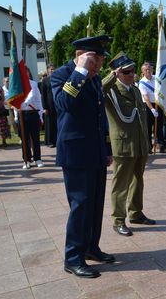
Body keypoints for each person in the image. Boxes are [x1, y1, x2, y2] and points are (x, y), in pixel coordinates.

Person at [50, 35, 115, 278]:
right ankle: (73, 257)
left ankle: (90, 248)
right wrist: (79, 72)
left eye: (100, 59)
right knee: (80, 205)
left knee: (96, 203)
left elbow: (101, 117)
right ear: (81, 56)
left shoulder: (96, 79)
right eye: (95, 59)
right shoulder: (62, 75)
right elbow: (64, 103)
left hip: (95, 150)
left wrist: (106, 149)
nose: (99, 64)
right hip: (75, 153)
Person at [102, 52, 155, 237]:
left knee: (137, 180)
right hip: (123, 144)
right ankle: (118, 220)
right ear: (118, 73)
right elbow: (97, 89)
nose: (132, 74)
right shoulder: (111, 90)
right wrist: (112, 76)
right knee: (121, 184)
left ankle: (135, 213)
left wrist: (147, 142)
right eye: (127, 72)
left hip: (139, 143)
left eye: (133, 71)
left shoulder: (134, 90)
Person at [139, 62, 166, 154]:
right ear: (143, 72)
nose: (148, 71)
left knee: (159, 126)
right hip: (148, 106)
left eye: (150, 69)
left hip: (158, 104)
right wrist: (152, 109)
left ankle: (161, 146)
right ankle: (149, 147)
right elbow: (145, 97)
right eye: (146, 70)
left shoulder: (156, 79)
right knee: (148, 127)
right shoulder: (142, 82)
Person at [17, 69, 44, 169]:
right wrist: (16, 115)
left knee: (35, 138)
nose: (25, 74)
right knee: (24, 138)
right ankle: (27, 159)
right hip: (21, 114)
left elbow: (34, 97)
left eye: (26, 72)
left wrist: (40, 114)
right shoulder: (16, 86)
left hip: (32, 113)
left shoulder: (33, 84)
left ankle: (38, 158)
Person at [40, 64, 57, 147]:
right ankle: (50, 141)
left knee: (57, 123)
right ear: (48, 71)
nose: (52, 71)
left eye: (54, 69)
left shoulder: (58, 78)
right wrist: (44, 107)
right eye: (51, 69)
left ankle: (57, 140)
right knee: (50, 124)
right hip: (48, 105)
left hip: (57, 104)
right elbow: (43, 95)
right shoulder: (45, 80)